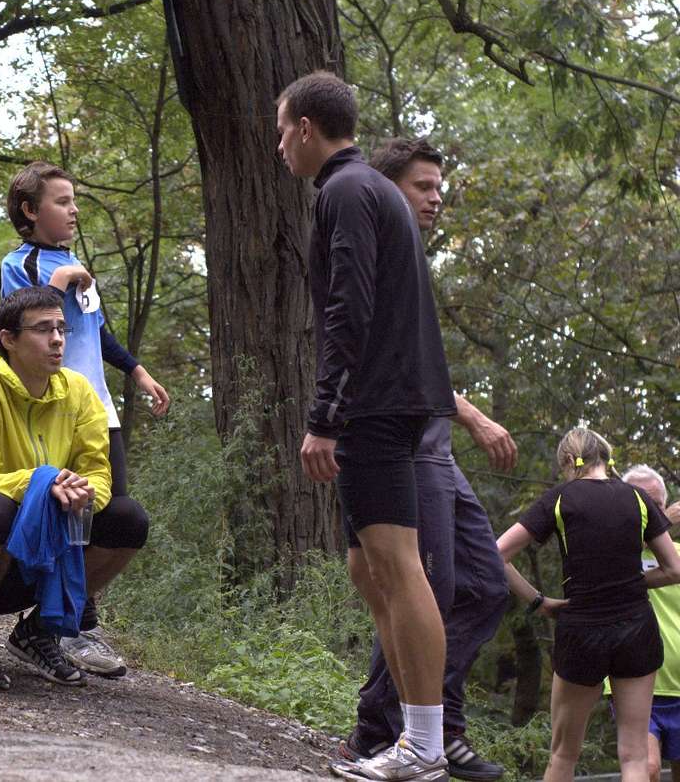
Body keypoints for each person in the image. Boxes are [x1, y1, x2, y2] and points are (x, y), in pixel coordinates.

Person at [278, 72, 457, 781]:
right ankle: (411, 734)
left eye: (282, 131)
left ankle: (425, 746)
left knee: (397, 565)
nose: (279, 147)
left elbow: (348, 307)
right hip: (392, 397)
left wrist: (326, 415)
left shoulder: (346, 191)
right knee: (367, 568)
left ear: (305, 128)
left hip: (375, 403)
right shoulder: (372, 189)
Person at [334, 138, 511, 781]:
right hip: (402, 443)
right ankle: (397, 731)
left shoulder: (411, 256)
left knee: (486, 587)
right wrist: (475, 416)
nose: (436, 199)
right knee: (412, 584)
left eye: (440, 188)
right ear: (388, 189)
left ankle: (425, 724)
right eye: (423, 186)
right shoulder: (375, 245)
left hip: (434, 448)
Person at [0, 286, 150, 690]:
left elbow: (98, 471)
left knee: (129, 519)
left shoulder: (79, 392)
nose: (57, 339)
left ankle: (37, 632)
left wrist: (82, 490)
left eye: (61, 329)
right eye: (43, 330)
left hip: (37, 567)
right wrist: (45, 482)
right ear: (8, 339)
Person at [0, 161, 169, 678]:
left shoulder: (74, 262)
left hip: (99, 408)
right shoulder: (21, 263)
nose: (74, 210)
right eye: (62, 201)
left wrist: (137, 371)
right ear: (30, 210)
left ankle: (66, 622)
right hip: (54, 408)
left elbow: (97, 331)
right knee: (68, 508)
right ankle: (67, 624)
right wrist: (58, 281)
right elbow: (25, 324)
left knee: (111, 513)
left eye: (75, 201)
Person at [498, 430, 680, 782]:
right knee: (635, 757)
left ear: (569, 461)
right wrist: (628, 581)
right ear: (606, 458)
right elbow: (674, 569)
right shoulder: (638, 498)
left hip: (581, 629)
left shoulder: (559, 498)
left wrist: (539, 601)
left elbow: (497, 553)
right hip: (637, 631)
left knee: (563, 754)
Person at [622, 465, 680, 782]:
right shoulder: (614, 555)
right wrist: (664, 523)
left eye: (656, 505)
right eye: (640, 503)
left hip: (679, 685)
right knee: (647, 767)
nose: (650, 512)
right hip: (636, 683)